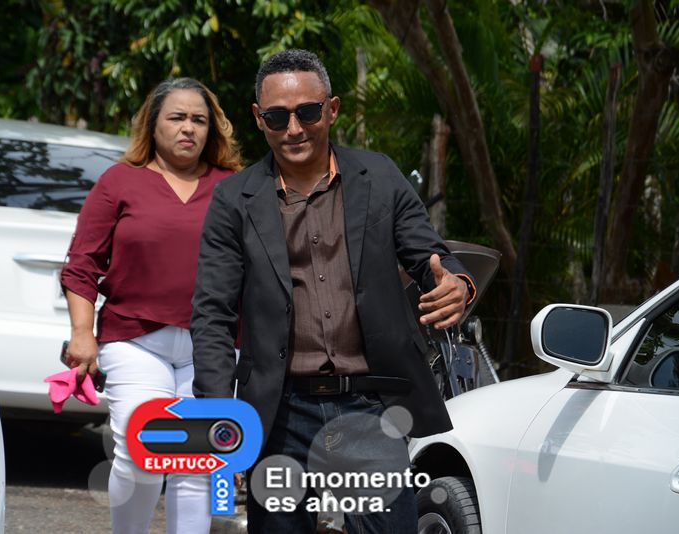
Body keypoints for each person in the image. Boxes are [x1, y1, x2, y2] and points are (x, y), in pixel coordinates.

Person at [190, 49, 476, 533]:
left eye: (307, 112)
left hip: (368, 406)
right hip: (279, 412)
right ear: (259, 118)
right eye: (277, 117)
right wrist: (220, 413)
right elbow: (212, 314)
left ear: (332, 108)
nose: (293, 129)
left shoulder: (379, 177)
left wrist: (457, 285)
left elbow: (429, 255)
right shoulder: (234, 199)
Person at [60, 77, 242, 534]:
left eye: (199, 120)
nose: (188, 128)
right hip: (135, 340)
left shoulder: (234, 187)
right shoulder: (120, 181)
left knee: (195, 463)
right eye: (177, 117)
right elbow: (82, 264)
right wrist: (82, 334)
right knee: (140, 452)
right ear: (153, 124)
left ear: (212, 130)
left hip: (213, 348)